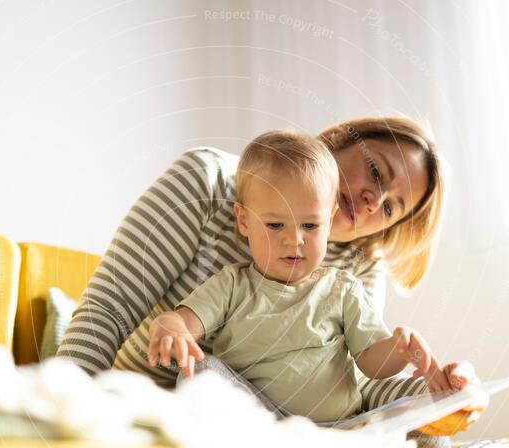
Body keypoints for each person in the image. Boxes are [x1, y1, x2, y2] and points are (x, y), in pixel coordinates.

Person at [57, 116, 484, 448]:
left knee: (424, 419)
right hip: (174, 398)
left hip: (301, 427)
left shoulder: (357, 269)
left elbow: (360, 386)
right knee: (207, 374)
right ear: (337, 140)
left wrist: (434, 391)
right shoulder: (206, 184)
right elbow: (110, 305)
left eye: (391, 206)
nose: (374, 199)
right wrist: (64, 409)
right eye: (375, 170)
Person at [147, 130, 459, 427]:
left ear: (328, 219)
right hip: (259, 421)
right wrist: (170, 326)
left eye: (310, 227)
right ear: (243, 221)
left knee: (428, 420)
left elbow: (370, 366)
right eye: (275, 226)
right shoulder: (233, 284)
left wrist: (399, 348)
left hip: (339, 427)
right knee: (201, 371)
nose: (294, 240)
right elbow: (184, 322)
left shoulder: (343, 288)